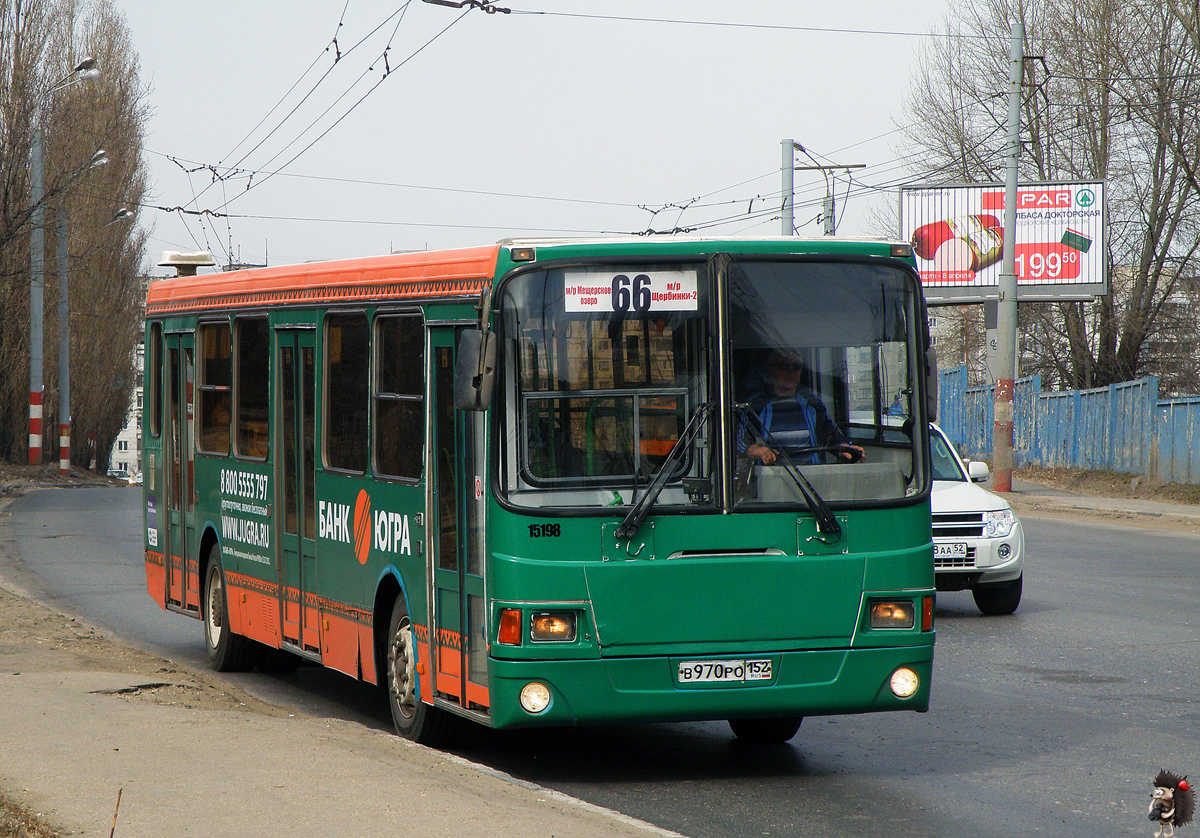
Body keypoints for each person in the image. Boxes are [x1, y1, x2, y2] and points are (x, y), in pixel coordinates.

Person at [739, 349, 864, 465]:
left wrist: (844, 447)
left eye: (796, 367)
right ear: (771, 371)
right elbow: (738, 441)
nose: (791, 372)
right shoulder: (756, 407)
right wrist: (757, 450)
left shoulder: (812, 405)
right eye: (784, 366)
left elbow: (829, 433)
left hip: (809, 479)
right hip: (770, 480)